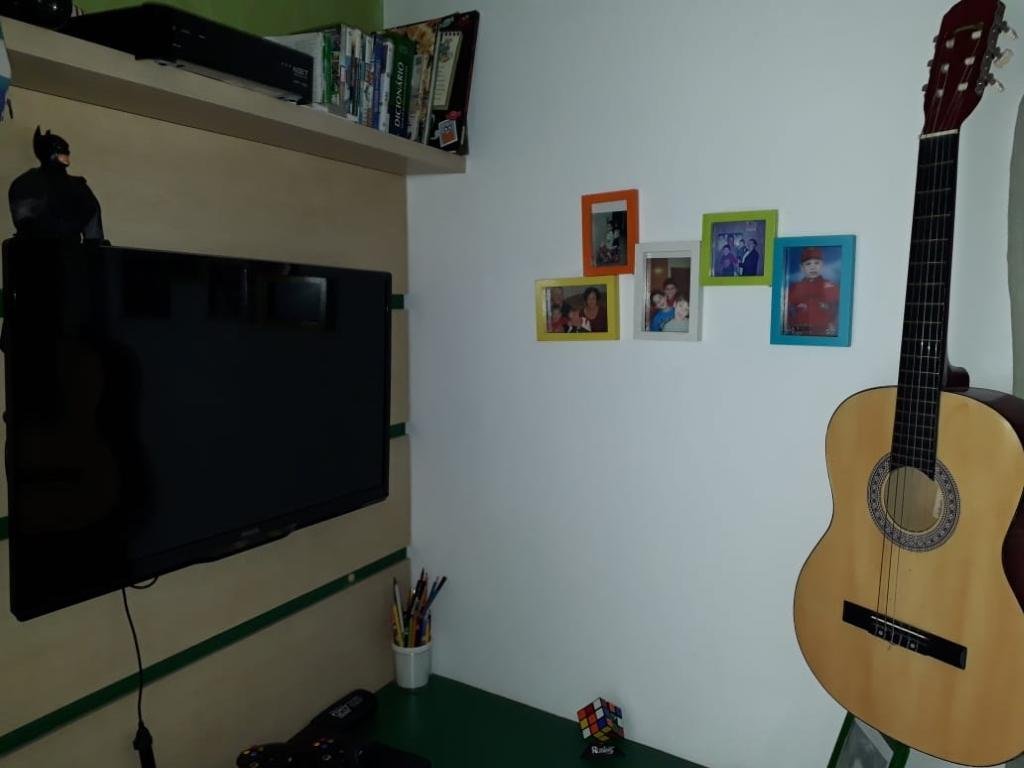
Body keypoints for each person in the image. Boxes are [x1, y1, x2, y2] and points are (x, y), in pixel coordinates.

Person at [786, 246, 839, 335]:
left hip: (824, 334)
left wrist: (833, 325)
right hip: (800, 334)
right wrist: (792, 327)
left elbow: (838, 310)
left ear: (822, 265)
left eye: (816, 263)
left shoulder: (832, 287)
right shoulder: (794, 289)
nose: (813, 267)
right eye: (808, 264)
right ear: (801, 267)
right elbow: (786, 312)